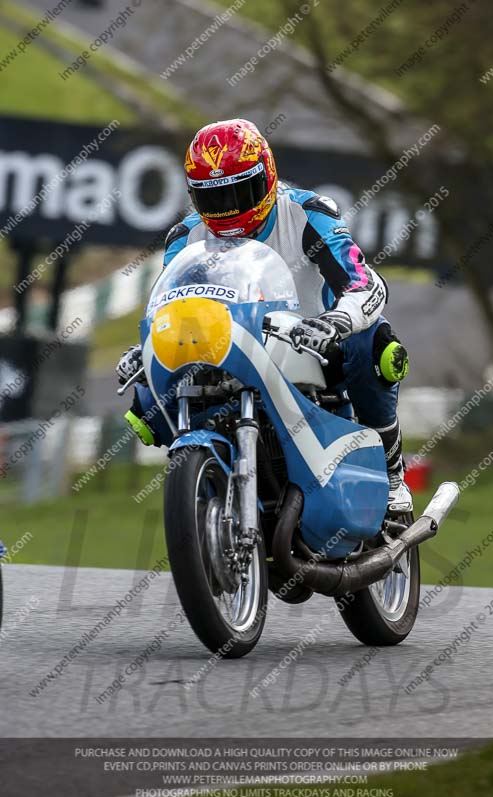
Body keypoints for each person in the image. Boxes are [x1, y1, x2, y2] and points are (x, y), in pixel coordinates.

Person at [117, 119, 412, 512]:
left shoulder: (307, 214)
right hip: (229, 351)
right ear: (194, 196)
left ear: (267, 175)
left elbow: (364, 282)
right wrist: (145, 348)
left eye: (241, 192)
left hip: (314, 347)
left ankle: (392, 476)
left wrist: (339, 320)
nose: (229, 208)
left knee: (374, 345)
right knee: (145, 400)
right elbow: (169, 307)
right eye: (215, 198)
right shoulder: (184, 238)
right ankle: (206, 484)